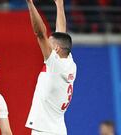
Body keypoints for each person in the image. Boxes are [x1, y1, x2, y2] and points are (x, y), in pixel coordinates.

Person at [25, 0, 77, 135]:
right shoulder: (69, 62)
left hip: (44, 130)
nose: (47, 45)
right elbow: (61, 32)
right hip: (58, 128)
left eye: (50, 43)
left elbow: (40, 33)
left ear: (57, 49)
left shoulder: (56, 65)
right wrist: (59, 5)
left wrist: (30, 3)